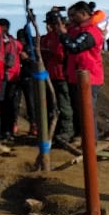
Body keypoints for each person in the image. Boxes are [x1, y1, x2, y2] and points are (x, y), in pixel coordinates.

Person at [59, 1, 104, 135]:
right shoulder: (76, 30)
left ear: (84, 14)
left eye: (73, 15)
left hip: (89, 76)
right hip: (75, 75)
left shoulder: (91, 32)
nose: (71, 19)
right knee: (78, 109)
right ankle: (81, 136)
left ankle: (91, 139)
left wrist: (63, 35)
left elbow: (74, 47)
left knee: (87, 110)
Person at [40, 9, 73, 142]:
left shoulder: (64, 36)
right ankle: (54, 131)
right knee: (51, 106)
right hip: (49, 75)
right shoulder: (47, 38)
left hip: (62, 75)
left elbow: (63, 55)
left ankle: (66, 131)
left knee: (64, 105)